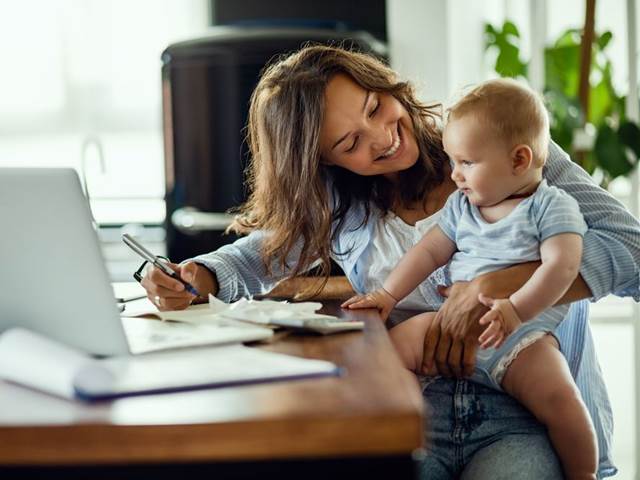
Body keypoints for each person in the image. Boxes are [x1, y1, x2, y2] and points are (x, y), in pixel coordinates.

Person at [141, 45, 640, 479]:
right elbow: (258, 256)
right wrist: (197, 275)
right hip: (414, 408)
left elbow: (633, 251)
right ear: (325, 163)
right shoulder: (342, 205)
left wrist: (500, 284)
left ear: (386, 86)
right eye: (350, 143)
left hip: (526, 408)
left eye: (375, 108)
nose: (381, 137)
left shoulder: (498, 143)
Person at [342, 78, 597, 479]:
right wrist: (388, 294)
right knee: (388, 352)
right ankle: (411, 431)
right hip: (449, 323)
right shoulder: (462, 206)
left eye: (467, 163)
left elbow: (561, 269)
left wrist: (514, 310)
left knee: (561, 398)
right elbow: (428, 251)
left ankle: (584, 472)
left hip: (521, 337)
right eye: (453, 161)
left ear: (518, 160)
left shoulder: (551, 206)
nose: (455, 174)